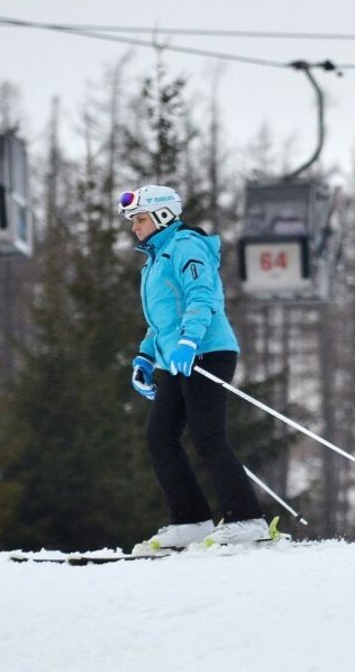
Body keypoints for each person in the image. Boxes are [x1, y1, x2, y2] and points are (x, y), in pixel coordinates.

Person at [121, 184, 274, 551]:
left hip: (208, 351)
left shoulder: (185, 246)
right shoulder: (156, 259)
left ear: (161, 216)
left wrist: (190, 339)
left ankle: (247, 519)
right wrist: (145, 356)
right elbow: (161, 322)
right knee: (160, 435)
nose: (134, 227)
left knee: (208, 436)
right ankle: (190, 520)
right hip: (179, 358)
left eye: (139, 219)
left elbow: (202, 295)